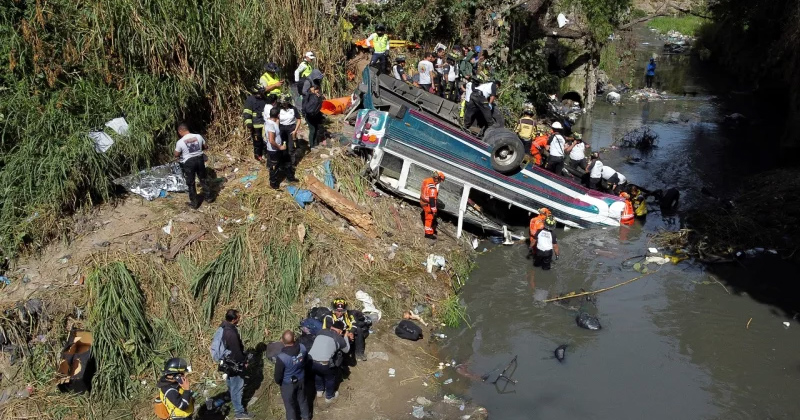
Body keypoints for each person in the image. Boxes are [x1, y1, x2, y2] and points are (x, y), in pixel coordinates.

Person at [220, 309, 252, 420]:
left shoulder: (223, 327)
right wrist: (243, 362)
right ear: (233, 320)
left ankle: (230, 397)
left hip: (227, 362)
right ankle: (239, 412)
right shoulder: (231, 333)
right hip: (234, 363)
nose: (240, 319)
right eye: (238, 317)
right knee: (237, 387)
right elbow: (236, 351)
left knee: (230, 382)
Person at [308, 321, 350, 403]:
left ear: (331, 327)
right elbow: (346, 350)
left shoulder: (321, 331)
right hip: (324, 363)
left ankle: (319, 391)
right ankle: (329, 396)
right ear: (340, 331)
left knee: (317, 374)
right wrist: (345, 336)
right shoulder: (339, 338)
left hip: (310, 361)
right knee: (330, 378)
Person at [274, 330, 310, 420]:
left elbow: (278, 375)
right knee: (302, 399)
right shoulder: (302, 348)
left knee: (289, 405)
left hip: (288, 383)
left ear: (282, 340)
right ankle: (306, 417)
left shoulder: (282, 357)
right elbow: (306, 361)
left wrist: (279, 382)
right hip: (301, 378)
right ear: (294, 339)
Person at [174, 123, 210, 209]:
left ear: (180, 131)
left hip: (189, 163)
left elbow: (176, 154)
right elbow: (205, 146)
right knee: (203, 178)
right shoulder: (198, 136)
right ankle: (209, 197)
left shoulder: (180, 142)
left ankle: (194, 203)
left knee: (191, 183)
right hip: (200, 159)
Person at [322, 298, 370, 362]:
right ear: (334, 310)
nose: (340, 313)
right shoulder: (328, 317)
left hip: (346, 334)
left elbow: (354, 323)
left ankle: (359, 354)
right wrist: (345, 334)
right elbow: (330, 330)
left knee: (358, 330)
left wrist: (351, 332)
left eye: (342, 311)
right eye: (338, 311)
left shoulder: (348, 314)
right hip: (334, 337)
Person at [265, 107, 294, 189]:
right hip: (274, 150)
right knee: (274, 166)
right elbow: (271, 140)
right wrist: (279, 147)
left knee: (279, 164)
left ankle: (287, 176)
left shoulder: (272, 122)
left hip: (275, 149)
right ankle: (273, 183)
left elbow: (276, 122)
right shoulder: (270, 125)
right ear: (278, 115)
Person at [242, 86, 269, 162]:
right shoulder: (250, 100)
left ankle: (266, 154)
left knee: (265, 140)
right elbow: (247, 112)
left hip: (265, 124)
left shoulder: (264, 99)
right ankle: (258, 155)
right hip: (255, 125)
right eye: (260, 93)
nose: (261, 94)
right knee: (257, 141)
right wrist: (248, 122)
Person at [278, 94, 302, 166]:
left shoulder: (293, 109)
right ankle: (283, 162)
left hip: (291, 128)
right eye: (282, 103)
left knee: (291, 147)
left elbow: (299, 119)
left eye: (285, 103)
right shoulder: (278, 109)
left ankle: (292, 163)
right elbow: (275, 119)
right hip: (281, 128)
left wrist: (295, 130)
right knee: (282, 145)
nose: (284, 105)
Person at [420, 171, 444, 239]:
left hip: (422, 201)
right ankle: (428, 234)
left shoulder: (426, 180)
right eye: (440, 180)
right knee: (429, 218)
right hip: (428, 204)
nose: (439, 182)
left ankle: (430, 229)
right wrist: (434, 211)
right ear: (437, 178)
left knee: (428, 216)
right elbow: (432, 201)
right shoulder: (433, 188)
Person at [302, 83, 324, 148]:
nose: (317, 91)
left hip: (314, 115)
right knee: (313, 130)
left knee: (315, 129)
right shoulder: (308, 96)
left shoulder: (316, 96)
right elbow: (304, 106)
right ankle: (312, 145)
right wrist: (304, 114)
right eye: (316, 89)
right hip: (309, 116)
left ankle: (315, 143)